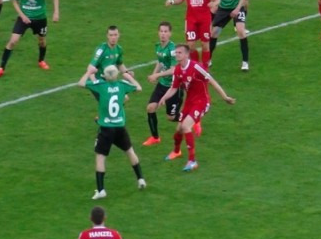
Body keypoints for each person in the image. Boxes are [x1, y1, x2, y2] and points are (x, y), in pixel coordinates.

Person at [157, 44, 236, 172]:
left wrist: (225, 97)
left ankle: (192, 161)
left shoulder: (196, 67)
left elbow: (212, 81)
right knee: (178, 130)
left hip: (202, 101)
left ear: (186, 54)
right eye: (176, 52)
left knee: (185, 126)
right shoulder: (177, 70)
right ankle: (176, 151)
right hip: (189, 102)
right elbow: (174, 88)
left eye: (180, 52)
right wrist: (164, 98)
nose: (177, 54)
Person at [78, 65, 146, 200]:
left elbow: (81, 84)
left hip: (106, 129)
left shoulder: (101, 85)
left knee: (100, 157)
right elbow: (139, 88)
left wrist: (89, 72)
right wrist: (129, 77)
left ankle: (101, 190)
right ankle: (141, 179)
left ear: (104, 76)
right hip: (120, 127)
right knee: (130, 151)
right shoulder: (122, 85)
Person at [165, 0, 220, 68]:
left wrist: (214, 3)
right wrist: (171, 1)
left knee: (205, 45)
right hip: (191, 19)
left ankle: (205, 70)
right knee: (190, 45)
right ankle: (196, 67)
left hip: (205, 18)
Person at [144, 22, 183, 146]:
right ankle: (155, 137)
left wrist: (157, 75)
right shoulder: (158, 46)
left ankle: (192, 117)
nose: (163, 34)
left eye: (166, 31)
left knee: (171, 117)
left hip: (174, 86)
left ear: (170, 33)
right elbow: (160, 62)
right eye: (161, 31)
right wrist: (154, 74)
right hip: (162, 85)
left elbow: (173, 70)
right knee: (150, 108)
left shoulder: (172, 50)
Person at [209, 0, 250, 71]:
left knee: (241, 31)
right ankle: (208, 59)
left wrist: (237, 8)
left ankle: (245, 62)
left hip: (237, 6)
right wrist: (214, 3)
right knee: (214, 33)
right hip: (222, 8)